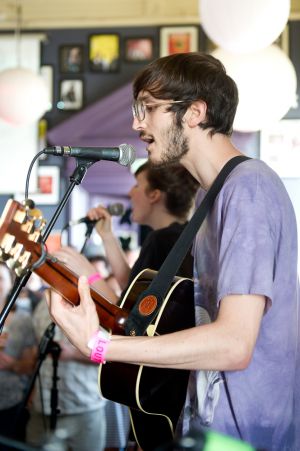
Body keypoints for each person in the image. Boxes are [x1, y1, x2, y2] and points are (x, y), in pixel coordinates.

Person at [46, 52, 299, 451]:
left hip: (247, 435)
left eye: (147, 108)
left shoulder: (248, 188)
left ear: (195, 112)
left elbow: (234, 344)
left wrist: (101, 345)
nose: (136, 123)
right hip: (209, 427)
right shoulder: (209, 197)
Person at [53, 162, 198, 450]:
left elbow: (129, 316)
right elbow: (135, 288)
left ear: (155, 195)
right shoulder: (178, 237)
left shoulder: (161, 240)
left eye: (136, 185)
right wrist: (107, 236)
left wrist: (88, 274)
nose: (130, 193)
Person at [26, 294, 107, 451]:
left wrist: (73, 353)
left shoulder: (94, 305)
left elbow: (111, 356)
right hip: (42, 406)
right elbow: (37, 350)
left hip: (83, 405)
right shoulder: (43, 304)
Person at [0, 263, 36, 448]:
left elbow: (30, 365)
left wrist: (11, 365)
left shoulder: (22, 320)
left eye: (1, 278)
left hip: (10, 402)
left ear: (10, 283)